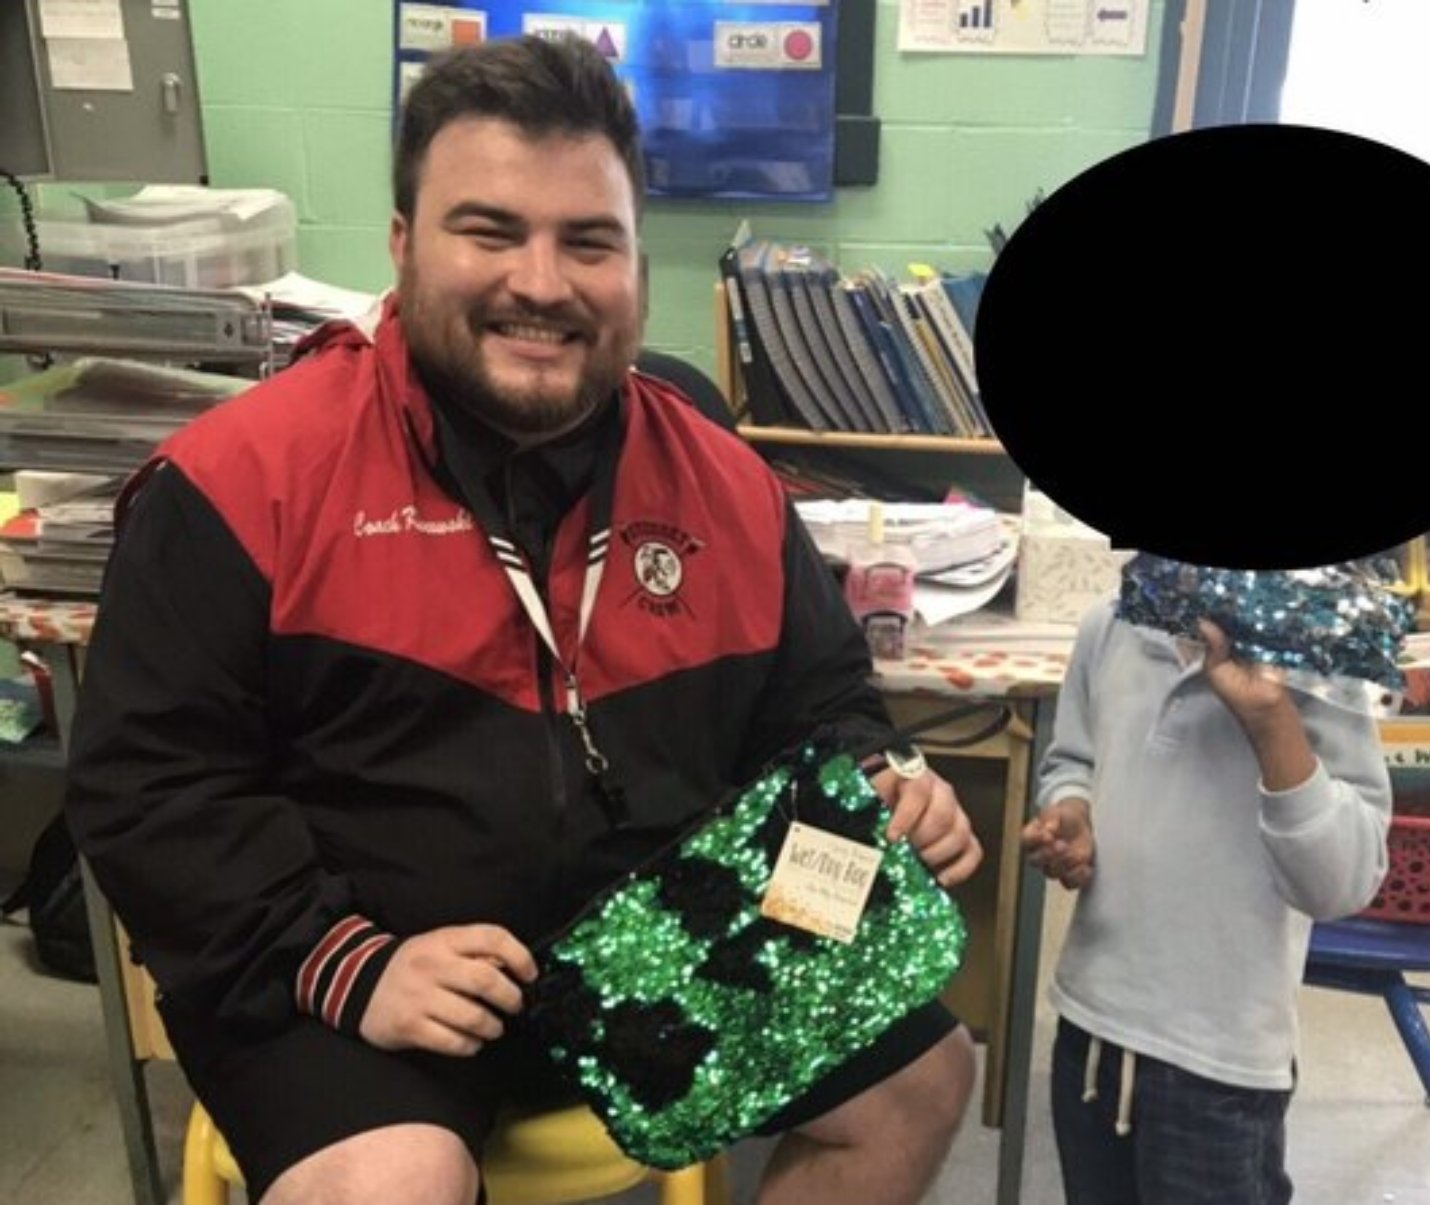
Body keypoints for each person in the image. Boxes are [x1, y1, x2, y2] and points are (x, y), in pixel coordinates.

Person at [64, 34, 981, 1205]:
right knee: (395, 1179)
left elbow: (821, 705)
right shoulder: (243, 480)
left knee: (922, 1078)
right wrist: (346, 963)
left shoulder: (727, 482)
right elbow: (146, 786)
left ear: (637, 266)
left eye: (587, 241)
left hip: (651, 950)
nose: (541, 283)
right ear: (402, 246)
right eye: (489, 231)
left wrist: (881, 777)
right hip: (344, 973)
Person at [1021, 589, 1392, 1204]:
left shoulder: (1326, 660)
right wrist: (1070, 810)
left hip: (1222, 1062)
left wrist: (1272, 719)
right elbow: (1073, 759)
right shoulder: (1111, 627)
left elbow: (1341, 883)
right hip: (1091, 1026)